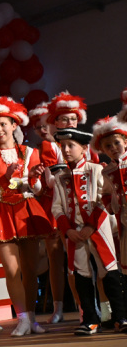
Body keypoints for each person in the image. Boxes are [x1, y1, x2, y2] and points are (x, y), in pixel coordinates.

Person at [0, 97, 53, 337]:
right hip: (0, 212)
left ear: (13, 125)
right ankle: (22, 319)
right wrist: (4, 179)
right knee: (11, 269)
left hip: (26, 209)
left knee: (30, 270)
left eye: (3, 124)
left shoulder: (30, 152)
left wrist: (34, 178)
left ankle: (32, 319)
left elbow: (36, 190)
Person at [51, 127, 127, 335]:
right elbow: (57, 207)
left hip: (97, 230)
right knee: (81, 275)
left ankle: (120, 316)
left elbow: (104, 199)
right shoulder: (60, 177)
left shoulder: (97, 170)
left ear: (84, 148)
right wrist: (68, 230)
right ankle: (90, 320)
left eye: (71, 146)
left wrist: (91, 226)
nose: (66, 150)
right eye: (63, 146)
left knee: (109, 271)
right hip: (74, 235)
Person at [42, 92, 99, 323]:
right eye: (64, 119)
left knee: (102, 262)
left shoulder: (87, 143)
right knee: (70, 263)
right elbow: (49, 182)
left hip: (90, 209)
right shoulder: (50, 147)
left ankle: (104, 309)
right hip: (62, 206)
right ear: (55, 122)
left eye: (73, 118)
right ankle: (81, 310)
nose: (69, 122)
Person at [28, 101, 73, 324]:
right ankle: (58, 308)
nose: (43, 129)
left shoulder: (74, 143)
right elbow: (46, 184)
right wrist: (34, 180)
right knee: (55, 259)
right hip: (51, 204)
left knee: (77, 258)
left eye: (46, 124)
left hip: (74, 202)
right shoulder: (42, 149)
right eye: (38, 127)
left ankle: (90, 306)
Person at [93, 114, 127, 267]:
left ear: (125, 142)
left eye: (116, 143)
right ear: (102, 150)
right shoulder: (107, 171)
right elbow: (106, 193)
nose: (113, 147)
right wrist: (111, 206)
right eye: (108, 146)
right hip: (123, 217)